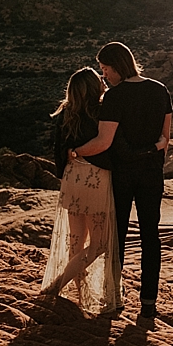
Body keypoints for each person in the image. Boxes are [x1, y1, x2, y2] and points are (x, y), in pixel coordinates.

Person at [73, 42, 173, 320]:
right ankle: (149, 303)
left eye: (105, 70)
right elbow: (165, 140)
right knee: (150, 236)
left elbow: (103, 143)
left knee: (115, 237)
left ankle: (114, 298)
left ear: (117, 67)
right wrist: (151, 153)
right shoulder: (160, 90)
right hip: (152, 174)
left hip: (122, 176)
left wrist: (74, 152)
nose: (104, 76)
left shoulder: (116, 97)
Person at [40, 67, 122, 316]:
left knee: (76, 243)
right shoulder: (101, 111)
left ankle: (82, 294)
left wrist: (71, 158)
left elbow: (57, 151)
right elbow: (108, 147)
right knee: (99, 245)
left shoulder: (66, 113)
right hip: (96, 179)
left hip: (71, 178)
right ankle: (56, 286)